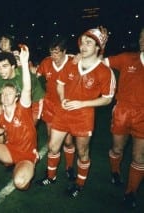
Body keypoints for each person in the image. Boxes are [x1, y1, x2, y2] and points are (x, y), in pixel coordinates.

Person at [37, 28, 116, 197]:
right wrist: (63, 98)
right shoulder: (71, 64)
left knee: (83, 152)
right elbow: (60, 84)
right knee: (52, 146)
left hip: (84, 116)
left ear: (97, 48)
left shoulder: (104, 71)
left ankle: (79, 184)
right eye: (82, 42)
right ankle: (51, 177)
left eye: (89, 43)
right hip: (63, 111)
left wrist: (82, 103)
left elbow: (108, 98)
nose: (83, 46)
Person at [0, 45, 39, 196]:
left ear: (17, 97)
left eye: (9, 94)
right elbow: (1, 127)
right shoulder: (3, 112)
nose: (5, 97)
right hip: (11, 149)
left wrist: (24, 63)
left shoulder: (23, 107)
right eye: (3, 94)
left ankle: (24, 169)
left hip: (26, 154)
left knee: (20, 183)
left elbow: (26, 88)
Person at [106, 27, 144, 208]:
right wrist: (101, 44)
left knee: (139, 155)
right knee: (117, 148)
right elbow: (101, 62)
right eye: (141, 37)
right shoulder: (127, 58)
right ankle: (115, 171)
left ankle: (131, 192)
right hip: (123, 111)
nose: (143, 40)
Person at [35, 37, 76, 182]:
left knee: (68, 141)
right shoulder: (46, 62)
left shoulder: (73, 62)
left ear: (65, 52)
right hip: (50, 106)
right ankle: (51, 174)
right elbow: (35, 76)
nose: (53, 57)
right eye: (51, 53)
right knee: (52, 141)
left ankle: (69, 167)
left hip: (66, 107)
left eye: (57, 53)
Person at [0, 51, 45, 125]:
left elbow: (25, 101)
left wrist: (3, 107)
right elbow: (1, 96)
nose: (1, 71)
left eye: (5, 66)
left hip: (34, 101)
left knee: (27, 127)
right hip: (16, 101)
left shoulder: (22, 76)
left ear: (13, 66)